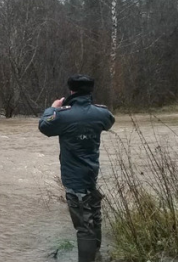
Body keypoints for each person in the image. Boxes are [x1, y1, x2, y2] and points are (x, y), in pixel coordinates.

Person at [38, 74, 115, 262]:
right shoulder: (102, 113)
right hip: (91, 174)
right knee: (94, 217)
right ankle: (97, 256)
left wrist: (53, 108)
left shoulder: (63, 116)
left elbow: (44, 126)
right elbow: (109, 121)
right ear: (90, 91)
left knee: (84, 227)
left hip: (74, 179)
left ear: (71, 91)